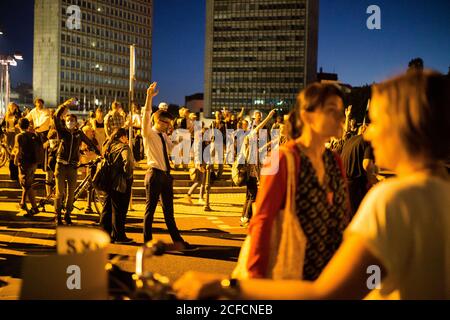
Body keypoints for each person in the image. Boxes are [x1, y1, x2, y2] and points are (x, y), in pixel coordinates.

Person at [173, 70, 450, 300]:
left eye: (342, 113)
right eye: (331, 111)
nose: (366, 131)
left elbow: (332, 278)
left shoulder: (348, 169)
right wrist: (255, 281)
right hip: (290, 271)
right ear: (307, 115)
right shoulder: (281, 158)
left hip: (323, 270)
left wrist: (232, 289)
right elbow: (262, 219)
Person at [141, 82, 196, 251]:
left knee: (169, 213)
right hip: (154, 174)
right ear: (159, 121)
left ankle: (178, 242)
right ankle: (147, 242)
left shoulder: (164, 137)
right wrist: (149, 97)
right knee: (150, 211)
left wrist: (185, 141)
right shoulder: (149, 133)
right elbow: (147, 114)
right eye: (166, 123)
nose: (168, 126)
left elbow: (174, 151)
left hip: (165, 175)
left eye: (169, 124)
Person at [53, 99, 101, 226]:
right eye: (68, 120)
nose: (70, 122)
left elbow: (89, 143)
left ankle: (67, 215)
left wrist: (99, 153)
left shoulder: (79, 134)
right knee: (59, 193)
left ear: (76, 122)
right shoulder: (62, 131)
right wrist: (65, 105)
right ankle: (57, 216)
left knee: (70, 194)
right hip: (61, 166)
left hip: (73, 167)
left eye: (72, 121)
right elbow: (56, 116)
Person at [239, 109, 277, 227]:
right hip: (250, 173)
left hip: (248, 172)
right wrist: (269, 116)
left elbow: (261, 149)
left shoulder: (251, 143)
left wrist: (273, 142)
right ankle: (246, 218)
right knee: (253, 195)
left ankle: (243, 217)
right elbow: (260, 125)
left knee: (248, 195)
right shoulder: (251, 136)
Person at [99, 128, 134, 244]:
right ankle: (119, 236)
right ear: (122, 136)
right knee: (119, 210)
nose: (127, 139)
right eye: (126, 137)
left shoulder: (107, 145)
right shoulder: (124, 147)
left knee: (107, 208)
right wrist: (128, 175)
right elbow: (128, 162)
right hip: (120, 181)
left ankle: (105, 234)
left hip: (108, 181)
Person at [340, 125, 378, 216]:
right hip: (356, 186)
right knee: (360, 216)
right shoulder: (368, 141)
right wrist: (375, 182)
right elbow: (367, 165)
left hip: (344, 183)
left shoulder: (350, 140)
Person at [13, 118, 40, 217]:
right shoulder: (33, 134)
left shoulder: (19, 136)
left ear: (19, 126)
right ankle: (27, 204)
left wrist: (15, 160)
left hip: (25, 163)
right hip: (34, 162)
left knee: (25, 184)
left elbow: (18, 150)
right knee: (28, 184)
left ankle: (24, 203)